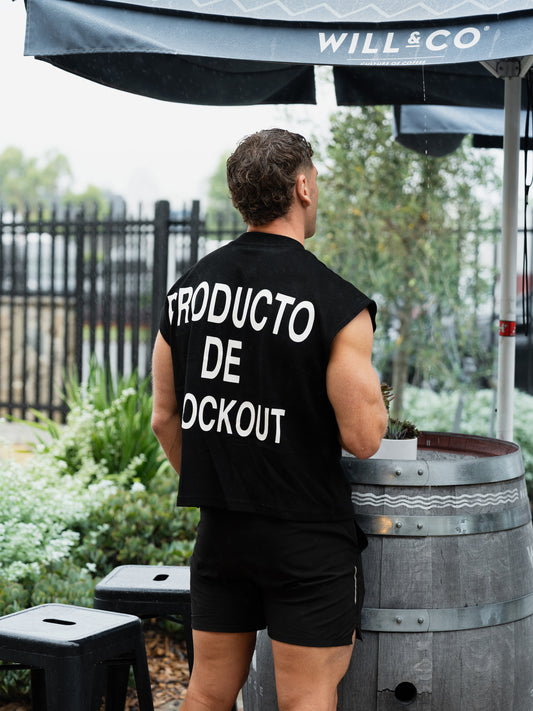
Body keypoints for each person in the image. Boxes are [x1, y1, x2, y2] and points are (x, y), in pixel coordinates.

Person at [151, 128, 387, 711]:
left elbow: (164, 418)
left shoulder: (186, 293)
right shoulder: (337, 304)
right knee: (306, 698)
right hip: (307, 540)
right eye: (316, 180)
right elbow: (364, 439)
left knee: (207, 691)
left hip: (222, 533)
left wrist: (228, 481)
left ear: (241, 199)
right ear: (303, 187)